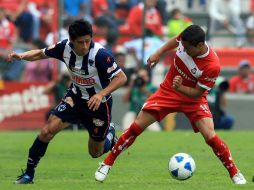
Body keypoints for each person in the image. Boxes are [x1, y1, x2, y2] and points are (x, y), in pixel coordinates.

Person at [94, 25, 247, 184]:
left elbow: (197, 93)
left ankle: (235, 173)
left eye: (188, 48)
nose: (184, 50)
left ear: (200, 45)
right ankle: (107, 163)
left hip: (192, 99)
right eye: (183, 46)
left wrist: (179, 87)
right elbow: (175, 41)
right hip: (167, 92)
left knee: (210, 136)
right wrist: (158, 53)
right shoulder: (187, 37)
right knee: (136, 126)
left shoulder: (212, 65)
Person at [8, 19, 127, 184]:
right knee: (47, 131)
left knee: (95, 153)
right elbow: (40, 53)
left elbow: (121, 78)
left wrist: (101, 94)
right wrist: (21, 56)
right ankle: (29, 174)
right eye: (80, 42)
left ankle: (110, 133)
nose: (85, 46)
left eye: (87, 41)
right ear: (72, 41)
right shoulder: (64, 47)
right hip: (75, 98)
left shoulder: (100, 55)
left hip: (98, 105)